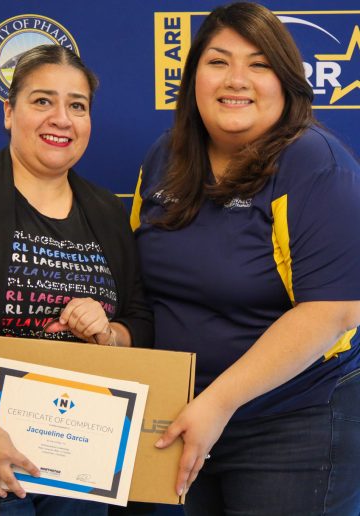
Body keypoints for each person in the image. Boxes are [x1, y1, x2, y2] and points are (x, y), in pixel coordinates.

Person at [131, 3, 360, 515]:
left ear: (287, 82)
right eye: (218, 62)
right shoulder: (165, 156)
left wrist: (217, 402)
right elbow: (138, 284)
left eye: (259, 65)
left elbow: (334, 311)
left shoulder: (318, 166)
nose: (236, 80)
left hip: (292, 422)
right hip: (180, 415)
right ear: (193, 78)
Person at [0, 44, 153, 516]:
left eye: (77, 106)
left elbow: (141, 321)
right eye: (42, 101)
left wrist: (108, 333)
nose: (61, 119)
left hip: (82, 471)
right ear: (9, 112)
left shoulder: (108, 212)